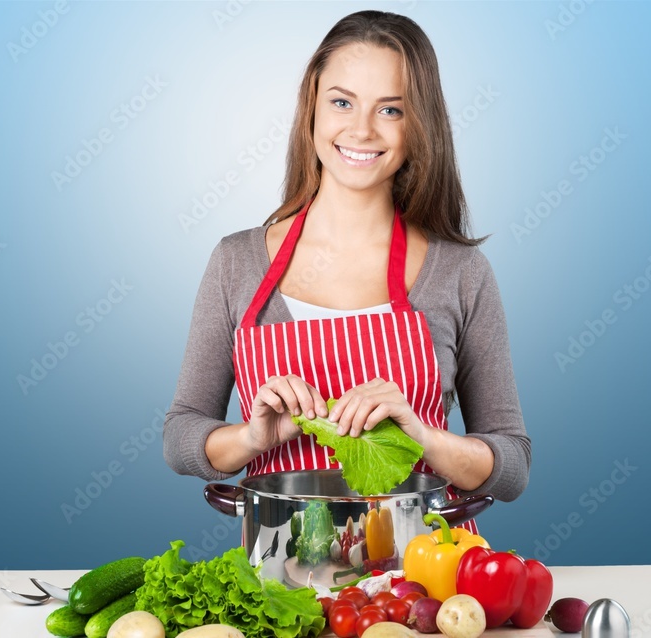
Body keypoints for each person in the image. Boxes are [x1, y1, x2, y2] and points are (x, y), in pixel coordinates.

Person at [163, 10, 530, 531]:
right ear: (312, 106)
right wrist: (251, 437)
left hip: (427, 587)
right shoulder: (236, 262)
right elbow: (181, 437)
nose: (361, 129)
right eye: (342, 102)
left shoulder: (461, 272)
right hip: (285, 578)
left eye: (390, 110)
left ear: (418, 125)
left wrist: (424, 436)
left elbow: (512, 466)